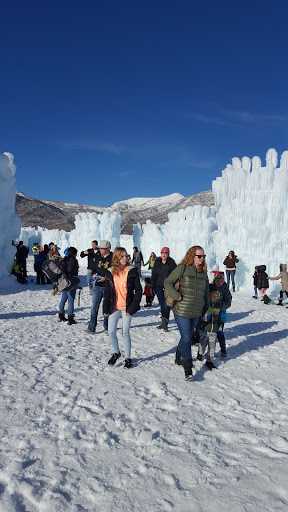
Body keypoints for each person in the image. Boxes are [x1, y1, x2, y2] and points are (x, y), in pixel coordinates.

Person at [164, 246, 210, 380]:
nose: (202, 259)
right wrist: (176, 295)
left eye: (203, 256)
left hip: (196, 311)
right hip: (182, 309)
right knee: (187, 338)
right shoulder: (182, 268)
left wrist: (206, 310)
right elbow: (168, 282)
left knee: (187, 335)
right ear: (192, 256)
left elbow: (206, 294)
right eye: (199, 256)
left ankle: (179, 353)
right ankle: (188, 369)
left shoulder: (204, 273)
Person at [103, 247, 142, 369]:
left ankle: (128, 358)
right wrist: (105, 308)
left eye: (126, 256)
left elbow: (139, 291)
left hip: (127, 306)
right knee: (111, 331)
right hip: (114, 306)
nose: (125, 258)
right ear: (117, 257)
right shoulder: (110, 272)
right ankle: (116, 352)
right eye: (122, 256)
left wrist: (133, 307)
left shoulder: (132, 271)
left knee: (125, 332)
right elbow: (107, 292)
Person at [86, 240, 113, 334]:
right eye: (100, 248)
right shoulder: (98, 257)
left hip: (108, 286)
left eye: (102, 248)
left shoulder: (113, 258)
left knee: (107, 307)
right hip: (97, 286)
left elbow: (115, 272)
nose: (100, 250)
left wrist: (105, 278)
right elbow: (94, 268)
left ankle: (107, 327)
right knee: (94, 307)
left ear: (108, 249)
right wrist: (94, 275)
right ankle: (91, 327)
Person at [151, 247, 177, 331]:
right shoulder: (157, 262)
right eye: (163, 252)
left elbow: (176, 275)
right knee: (162, 305)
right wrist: (152, 286)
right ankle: (163, 322)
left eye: (166, 252)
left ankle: (165, 323)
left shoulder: (171, 263)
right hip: (159, 287)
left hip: (168, 288)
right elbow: (154, 275)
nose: (164, 254)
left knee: (166, 305)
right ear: (160, 253)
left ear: (168, 254)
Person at [197, 289, 222, 370]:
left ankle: (209, 360)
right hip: (204, 328)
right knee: (203, 343)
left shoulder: (218, 306)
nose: (215, 298)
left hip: (213, 330)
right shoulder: (205, 305)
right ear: (209, 296)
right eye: (213, 296)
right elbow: (200, 316)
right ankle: (200, 354)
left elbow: (219, 318)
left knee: (212, 346)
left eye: (216, 296)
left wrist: (219, 326)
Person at [209, 271, 232, 357]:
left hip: (221, 316)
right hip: (210, 315)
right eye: (217, 281)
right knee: (210, 333)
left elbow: (228, 302)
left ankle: (223, 350)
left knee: (220, 332)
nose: (219, 283)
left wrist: (222, 304)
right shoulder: (210, 288)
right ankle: (209, 350)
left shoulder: (225, 289)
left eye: (221, 281)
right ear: (214, 280)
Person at [58, 247, 79, 325]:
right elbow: (70, 270)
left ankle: (61, 315)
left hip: (64, 281)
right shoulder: (73, 260)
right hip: (71, 281)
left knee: (63, 299)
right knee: (71, 300)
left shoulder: (65, 259)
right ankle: (70, 318)